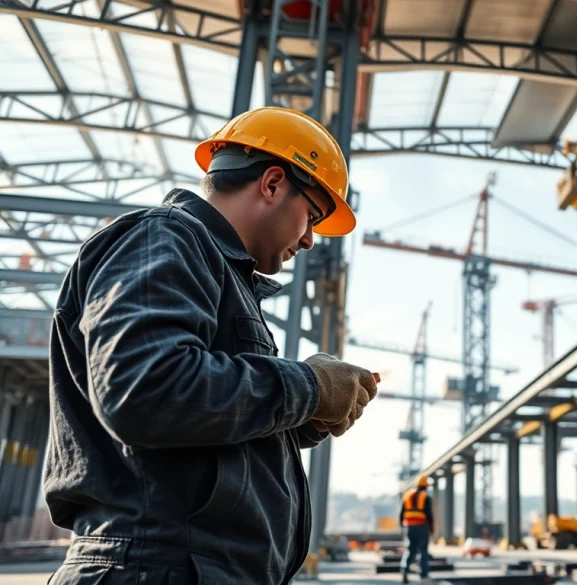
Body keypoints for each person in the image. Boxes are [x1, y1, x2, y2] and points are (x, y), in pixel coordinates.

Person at [43, 106, 378, 585]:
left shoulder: (212, 268)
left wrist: (308, 416)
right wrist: (308, 386)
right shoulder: (164, 237)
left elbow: (196, 426)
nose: (308, 241)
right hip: (153, 566)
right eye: (312, 217)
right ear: (273, 183)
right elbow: (146, 391)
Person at [399, 476, 435, 583]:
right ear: (426, 486)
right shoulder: (425, 497)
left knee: (410, 549)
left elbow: (401, 512)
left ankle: (404, 571)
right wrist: (431, 527)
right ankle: (423, 575)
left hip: (409, 526)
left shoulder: (407, 495)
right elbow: (429, 514)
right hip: (422, 526)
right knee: (423, 550)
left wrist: (402, 524)